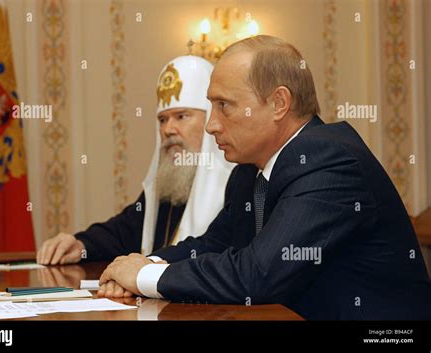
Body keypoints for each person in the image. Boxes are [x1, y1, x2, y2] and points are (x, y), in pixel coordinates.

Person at [98, 35, 431, 320]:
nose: (213, 124)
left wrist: (144, 276)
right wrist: (143, 263)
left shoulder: (328, 159)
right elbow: (213, 245)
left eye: (224, 105)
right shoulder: (250, 171)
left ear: (279, 103)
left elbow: (258, 274)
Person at [36, 55, 234, 275]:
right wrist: (80, 245)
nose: (168, 130)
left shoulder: (237, 185)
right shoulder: (171, 185)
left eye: (181, 116)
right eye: (162, 120)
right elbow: (123, 231)